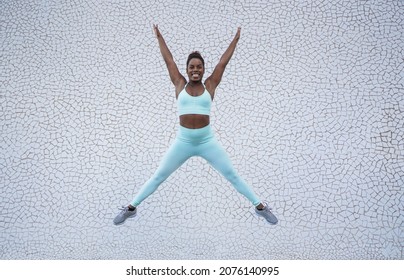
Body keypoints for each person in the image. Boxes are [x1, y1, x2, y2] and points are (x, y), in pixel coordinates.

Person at [113, 25, 278, 225]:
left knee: (232, 174)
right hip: (183, 141)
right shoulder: (179, 84)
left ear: (203, 69)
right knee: (159, 175)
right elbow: (169, 60)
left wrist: (235, 41)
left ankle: (260, 207)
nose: (195, 70)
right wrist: (159, 38)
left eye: (199, 67)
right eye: (192, 67)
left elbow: (222, 63)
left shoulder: (210, 85)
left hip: (207, 141)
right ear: (187, 69)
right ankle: (131, 208)